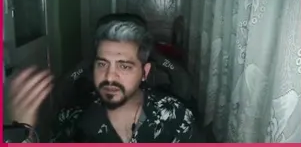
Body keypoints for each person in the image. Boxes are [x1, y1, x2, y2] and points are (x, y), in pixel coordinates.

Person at [4, 20, 200, 142]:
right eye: (102, 64)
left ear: (144, 72)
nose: (109, 77)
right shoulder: (72, 119)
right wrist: (23, 134)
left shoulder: (175, 115)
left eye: (124, 66)